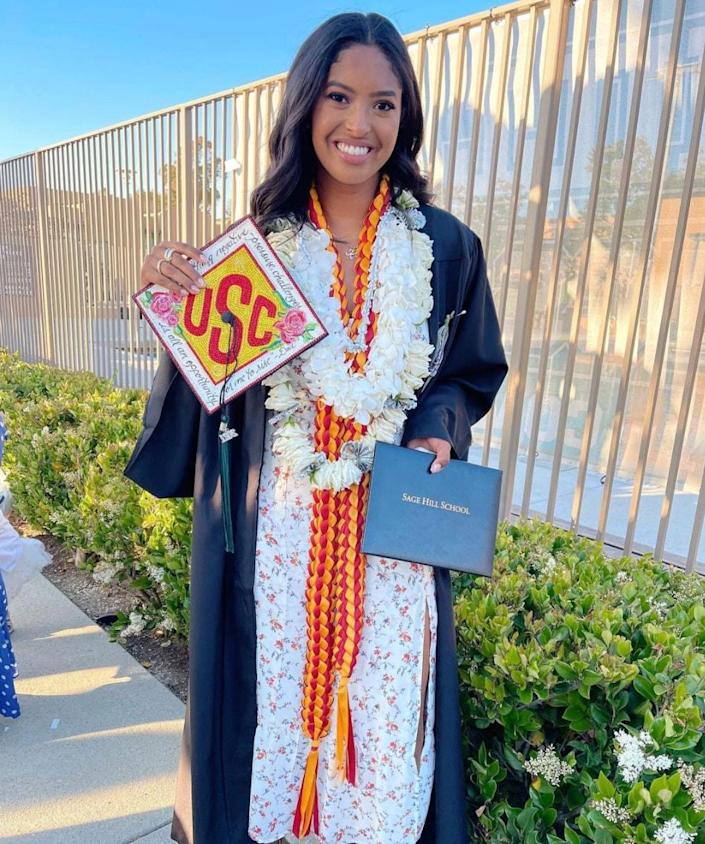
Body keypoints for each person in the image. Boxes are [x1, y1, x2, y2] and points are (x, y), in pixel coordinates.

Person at [125, 12, 507, 844]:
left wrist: (439, 427)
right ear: (305, 105)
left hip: (391, 549)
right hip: (273, 544)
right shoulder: (258, 249)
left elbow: (465, 374)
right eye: (338, 97)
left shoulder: (444, 247)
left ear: (406, 117)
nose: (358, 125)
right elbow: (206, 403)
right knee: (267, 729)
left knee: (381, 735)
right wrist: (171, 305)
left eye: (383, 103)